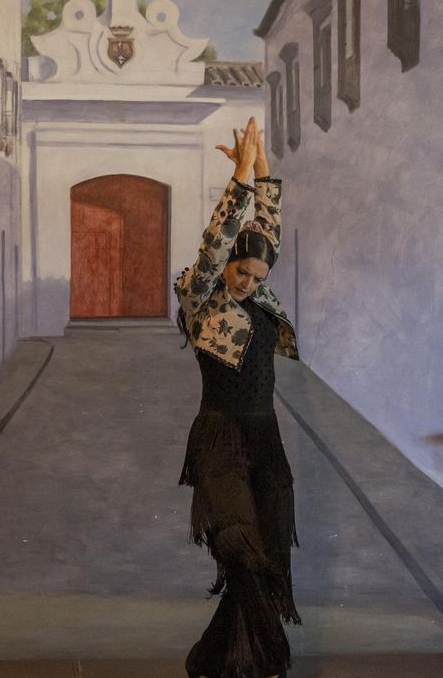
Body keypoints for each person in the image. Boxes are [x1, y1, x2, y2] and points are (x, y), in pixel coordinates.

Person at [175, 117, 301, 678]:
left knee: (269, 547)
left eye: (255, 274)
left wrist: (265, 170)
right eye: (240, 271)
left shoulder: (261, 290)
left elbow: (265, 232)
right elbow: (218, 241)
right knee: (240, 545)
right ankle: (260, 653)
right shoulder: (201, 295)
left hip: (264, 437)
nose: (247, 281)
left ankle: (220, 660)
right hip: (221, 434)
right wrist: (243, 177)